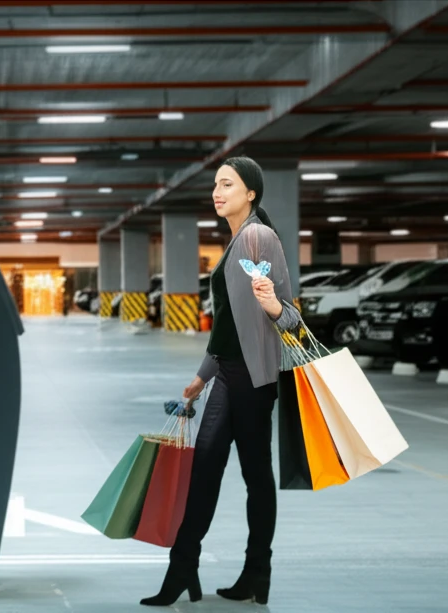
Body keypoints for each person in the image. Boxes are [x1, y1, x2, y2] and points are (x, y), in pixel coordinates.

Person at [140, 156, 302, 607]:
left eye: (227, 184)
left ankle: (255, 571)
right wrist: (200, 378)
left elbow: (288, 315)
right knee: (207, 471)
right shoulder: (237, 241)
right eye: (215, 184)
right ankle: (184, 570)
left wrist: (272, 306)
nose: (218, 191)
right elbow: (228, 326)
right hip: (229, 375)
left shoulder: (258, 237)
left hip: (253, 379)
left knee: (254, 477)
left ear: (251, 193)